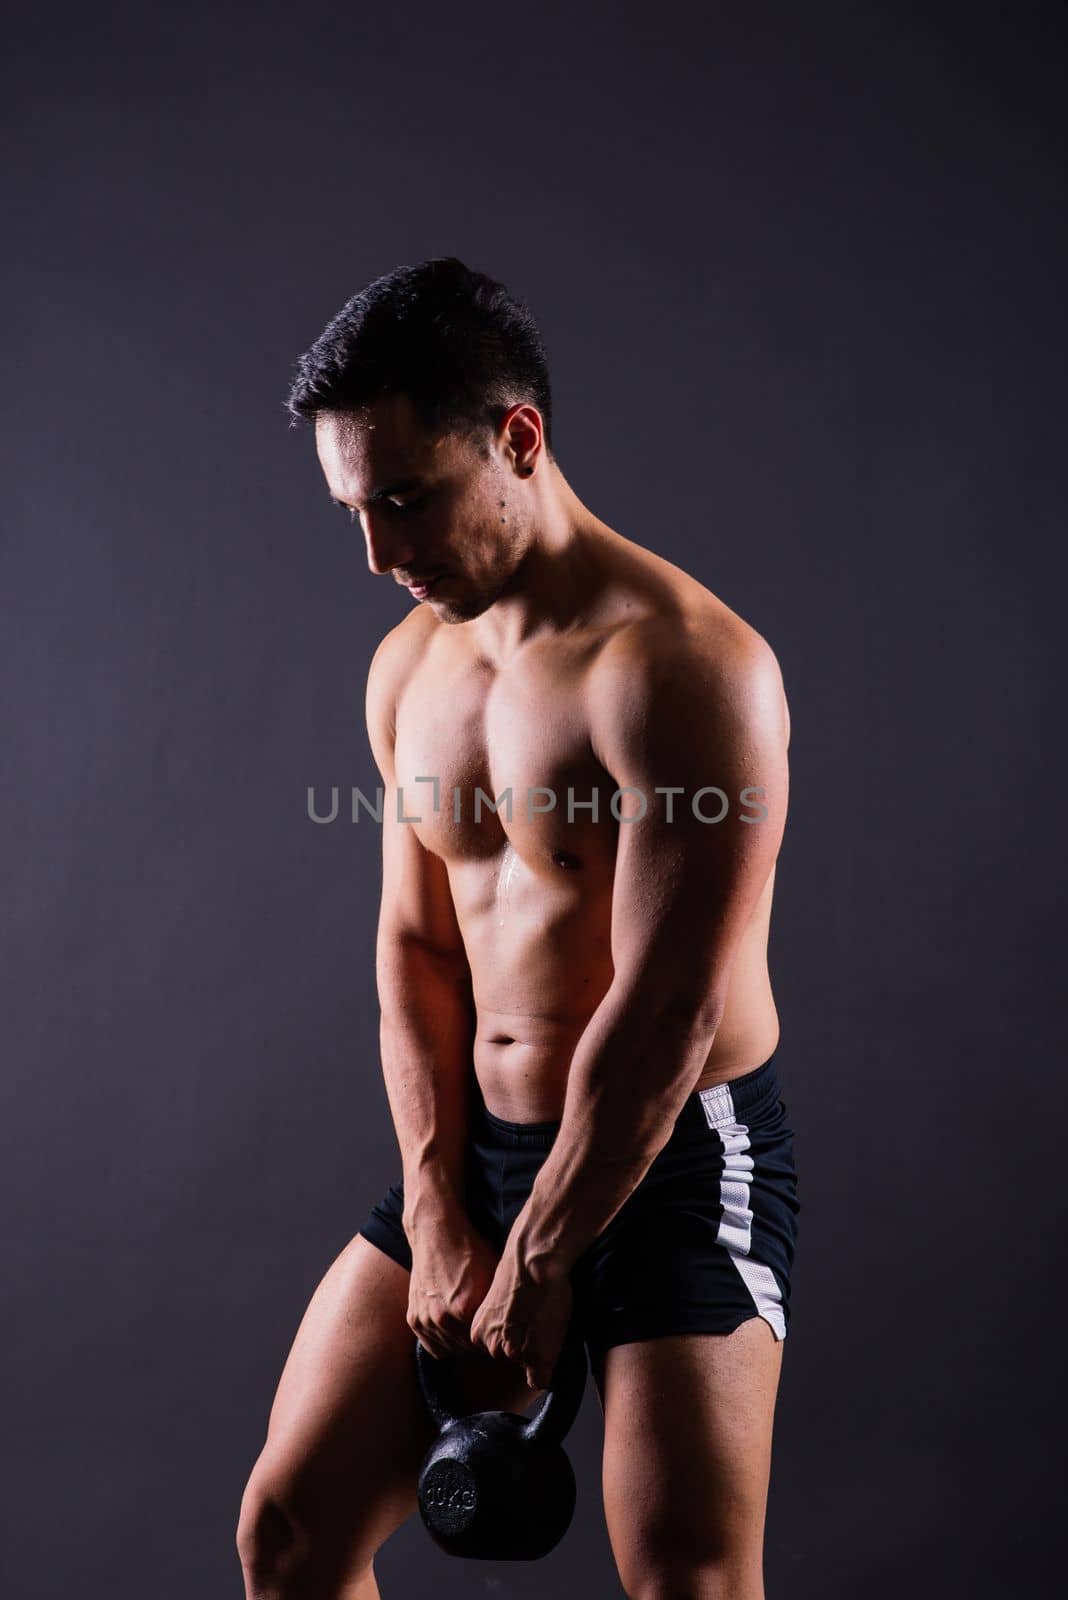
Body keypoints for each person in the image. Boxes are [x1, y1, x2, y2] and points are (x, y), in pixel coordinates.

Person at [236, 257, 800, 1600]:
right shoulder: (411, 669)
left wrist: (546, 1257)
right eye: (352, 514)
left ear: (519, 440)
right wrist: (441, 1213)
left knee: (689, 1583)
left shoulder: (687, 670)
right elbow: (416, 952)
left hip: (671, 1162)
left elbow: (672, 1013)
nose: (379, 555)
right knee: (290, 1536)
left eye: (404, 501)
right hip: (484, 1153)